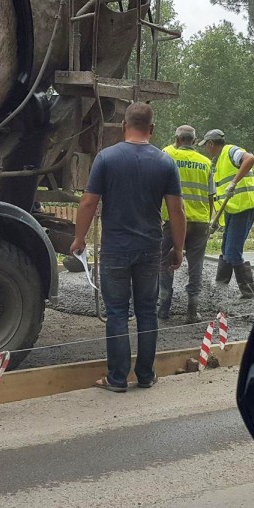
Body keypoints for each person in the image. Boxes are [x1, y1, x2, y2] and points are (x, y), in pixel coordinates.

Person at [71, 102, 186, 393]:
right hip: (150, 248)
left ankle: (117, 378)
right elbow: (177, 211)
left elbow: (88, 201)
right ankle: (146, 375)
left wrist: (79, 237)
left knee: (117, 312)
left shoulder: (106, 158)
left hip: (116, 249)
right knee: (147, 312)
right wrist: (179, 248)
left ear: (124, 126)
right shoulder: (164, 162)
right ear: (152, 128)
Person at [158, 125, 215, 324]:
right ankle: (192, 311)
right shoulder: (206, 162)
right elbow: (210, 196)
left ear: (177, 139)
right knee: (195, 266)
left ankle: (163, 308)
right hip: (200, 221)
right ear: (194, 140)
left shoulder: (166, 156)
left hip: (173, 220)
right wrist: (210, 221)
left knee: (165, 263)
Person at [199, 129, 254, 299]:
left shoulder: (231, 151)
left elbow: (250, 159)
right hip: (232, 210)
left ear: (211, 144)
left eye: (206, 145)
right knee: (226, 248)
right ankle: (221, 283)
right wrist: (216, 219)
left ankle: (248, 292)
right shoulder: (216, 163)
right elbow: (220, 195)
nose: (206, 149)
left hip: (244, 207)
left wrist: (234, 182)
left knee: (232, 251)